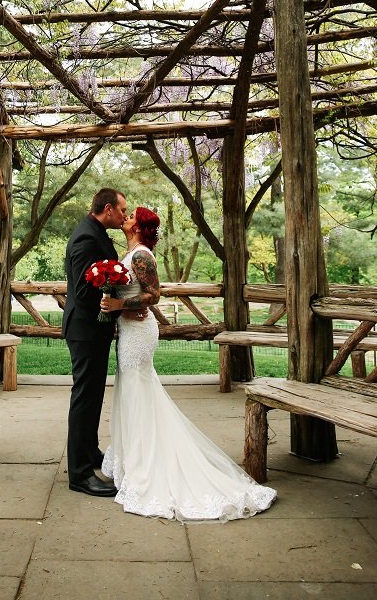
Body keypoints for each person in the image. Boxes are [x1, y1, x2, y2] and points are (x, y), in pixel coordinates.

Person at [100, 207, 277, 522]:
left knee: (139, 392)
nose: (125, 217)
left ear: (139, 227)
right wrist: (115, 304)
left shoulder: (143, 256)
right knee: (132, 391)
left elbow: (154, 295)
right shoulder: (129, 254)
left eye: (131, 216)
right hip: (128, 329)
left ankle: (148, 464)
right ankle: (134, 459)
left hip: (140, 333)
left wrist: (119, 304)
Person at [62, 187, 127, 497]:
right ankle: (79, 474)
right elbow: (84, 289)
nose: (125, 215)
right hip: (85, 330)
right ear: (108, 209)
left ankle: (90, 453)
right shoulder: (87, 237)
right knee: (84, 399)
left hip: (95, 331)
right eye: (122, 210)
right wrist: (113, 298)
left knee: (93, 397)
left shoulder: (96, 231)